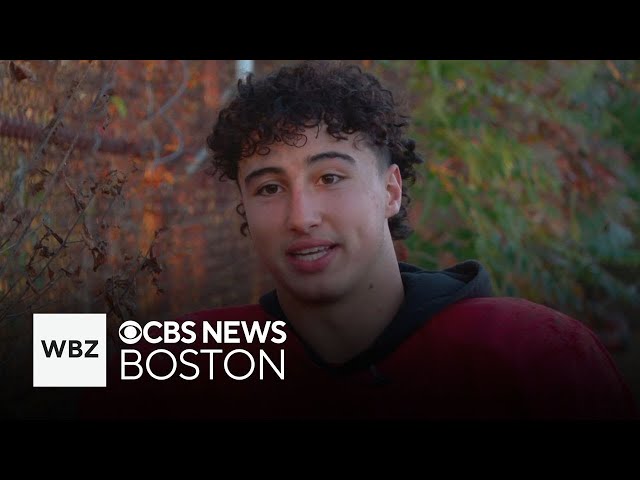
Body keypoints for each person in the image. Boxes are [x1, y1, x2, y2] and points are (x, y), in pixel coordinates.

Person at [83, 60, 636, 420]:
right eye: (270, 187)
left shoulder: (530, 353)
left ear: (391, 190)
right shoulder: (208, 352)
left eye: (330, 177)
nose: (302, 217)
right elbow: (37, 355)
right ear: (246, 209)